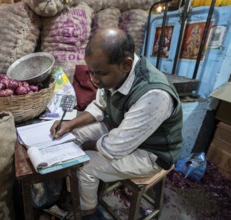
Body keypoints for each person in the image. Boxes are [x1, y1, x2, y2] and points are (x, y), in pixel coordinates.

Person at [50, 28, 183, 216]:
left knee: (84, 164)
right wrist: (70, 125)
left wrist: (84, 148)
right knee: (72, 136)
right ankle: (77, 189)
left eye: (100, 74)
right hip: (122, 131)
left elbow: (116, 147)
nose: (94, 80)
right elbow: (99, 106)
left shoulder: (154, 94)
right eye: (91, 73)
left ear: (126, 64)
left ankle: (86, 209)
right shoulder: (114, 74)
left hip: (151, 153)